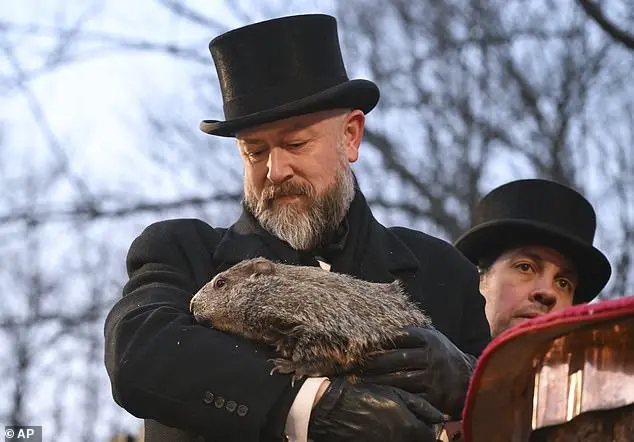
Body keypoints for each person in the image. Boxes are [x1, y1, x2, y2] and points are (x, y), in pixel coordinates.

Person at [104, 14, 490, 442]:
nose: (275, 170)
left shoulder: (443, 272)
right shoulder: (184, 252)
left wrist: (470, 378)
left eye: (295, 143)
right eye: (255, 151)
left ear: (350, 136)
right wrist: (309, 406)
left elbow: (517, 411)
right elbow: (137, 354)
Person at [454, 178, 612, 338]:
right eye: (525, 267)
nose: (548, 293)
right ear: (479, 279)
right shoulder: (432, 356)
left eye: (563, 283)